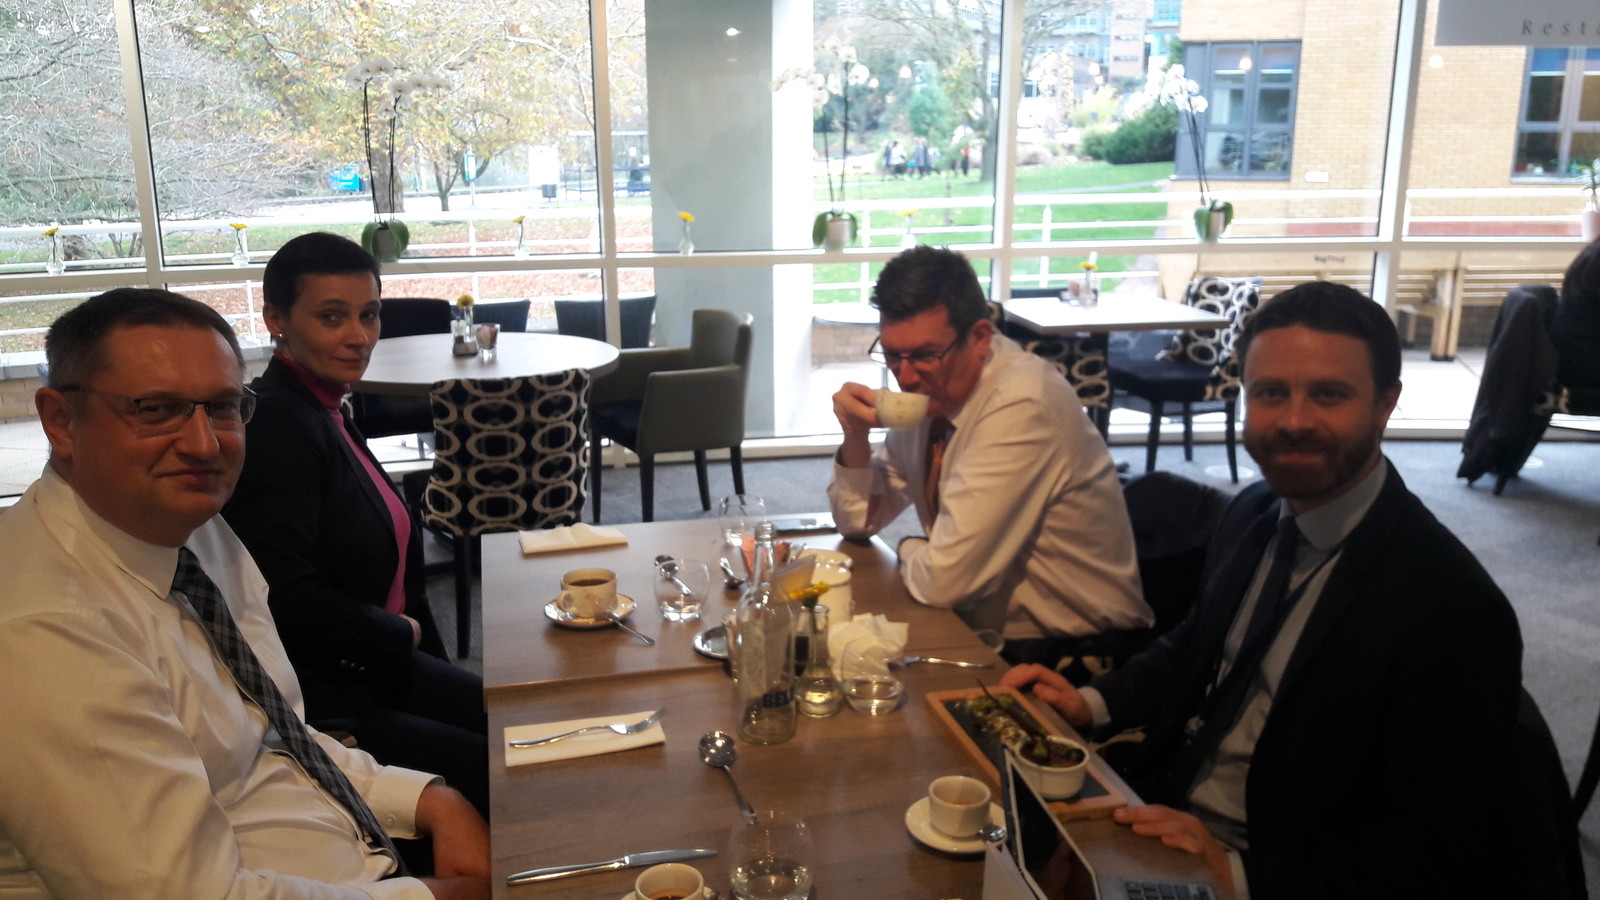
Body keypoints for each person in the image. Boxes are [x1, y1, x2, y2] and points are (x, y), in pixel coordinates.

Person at [1004, 281, 1523, 898]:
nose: (1294, 422)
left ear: (1386, 403)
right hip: (1160, 815)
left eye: (1328, 395)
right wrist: (1089, 703)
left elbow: (1435, 851)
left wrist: (1239, 874)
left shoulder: (1453, 609)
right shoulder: (1255, 512)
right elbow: (1197, 644)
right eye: (1271, 393)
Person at [0, 288, 489, 897]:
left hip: (350, 857)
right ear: (60, 421)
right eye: (156, 409)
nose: (204, 445)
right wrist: (431, 896)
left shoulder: (192, 530)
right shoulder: (45, 631)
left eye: (223, 407)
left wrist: (428, 798)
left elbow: (272, 728)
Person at [221, 232, 488, 818]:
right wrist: (400, 633)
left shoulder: (322, 407)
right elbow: (286, 598)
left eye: (369, 315)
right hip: (328, 695)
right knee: (504, 766)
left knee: (517, 719)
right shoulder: (278, 427)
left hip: (375, 660)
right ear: (276, 319)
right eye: (331, 317)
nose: (359, 336)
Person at [827, 246, 1150, 663]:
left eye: (924, 355)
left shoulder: (1021, 404)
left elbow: (944, 583)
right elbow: (857, 522)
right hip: (983, 630)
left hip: (1072, 651)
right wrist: (855, 437)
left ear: (979, 338)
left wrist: (907, 547)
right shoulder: (934, 395)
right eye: (892, 354)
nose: (905, 377)